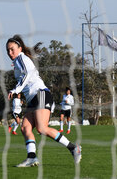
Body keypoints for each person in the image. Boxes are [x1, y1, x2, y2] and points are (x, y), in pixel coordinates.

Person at [6, 34, 82, 167]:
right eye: (8, 50)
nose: (10, 52)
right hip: (33, 99)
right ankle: (32, 157)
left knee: (41, 128)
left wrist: (15, 90)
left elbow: (28, 75)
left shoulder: (21, 58)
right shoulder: (18, 61)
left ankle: (73, 148)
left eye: (12, 49)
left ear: (19, 48)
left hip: (41, 94)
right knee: (25, 127)